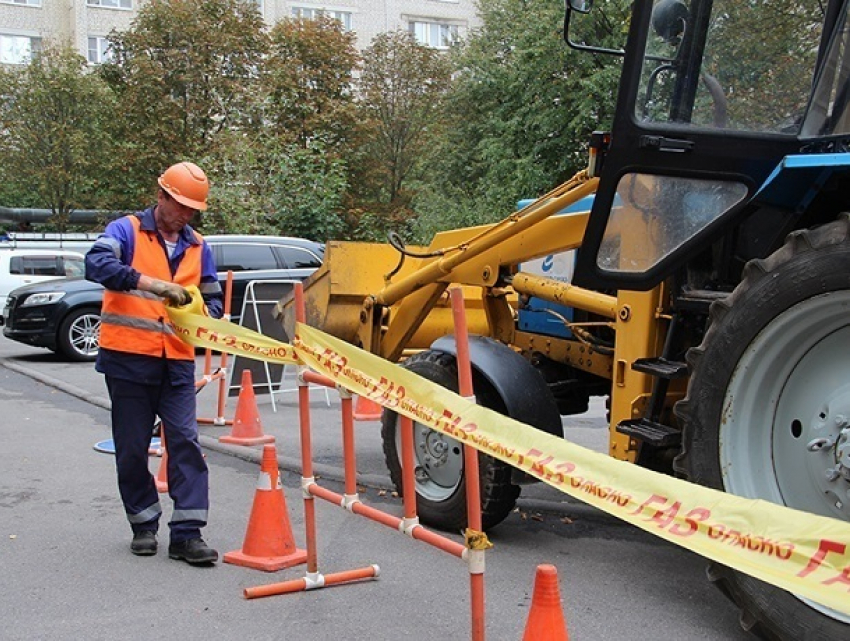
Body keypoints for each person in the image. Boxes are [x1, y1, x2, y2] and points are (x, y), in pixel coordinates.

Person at [85, 161, 223, 565]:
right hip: (128, 361)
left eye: (192, 210)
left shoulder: (198, 245)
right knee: (131, 449)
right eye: (179, 205)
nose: (185, 215)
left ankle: (187, 534)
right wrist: (153, 285)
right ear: (161, 196)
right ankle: (143, 525)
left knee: (185, 443)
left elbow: (212, 295)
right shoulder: (125, 231)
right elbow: (97, 265)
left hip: (176, 363)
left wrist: (208, 314)